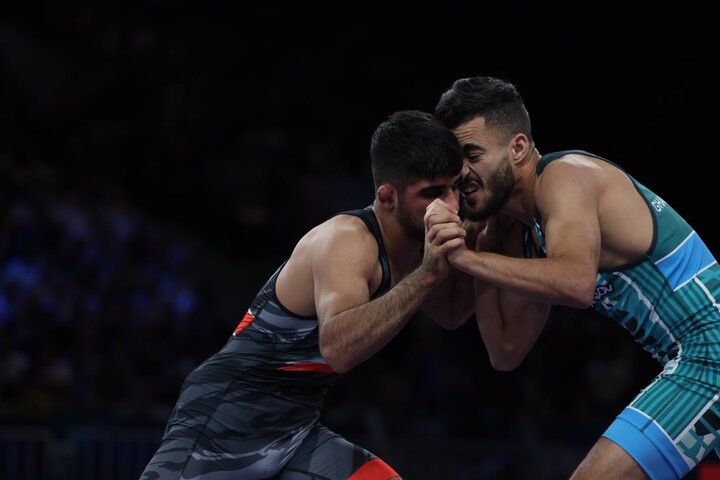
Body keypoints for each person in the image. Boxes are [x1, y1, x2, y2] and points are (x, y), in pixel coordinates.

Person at [140, 110, 472, 480]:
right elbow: (338, 349)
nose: (451, 206)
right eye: (433, 193)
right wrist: (427, 276)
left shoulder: (417, 241)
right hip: (225, 417)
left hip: (295, 428)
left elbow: (455, 314)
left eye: (456, 188)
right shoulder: (346, 240)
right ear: (387, 196)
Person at [426, 75, 720, 480]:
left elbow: (576, 283)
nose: (461, 173)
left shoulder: (565, 176)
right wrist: (478, 247)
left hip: (710, 350)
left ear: (518, 148)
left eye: (472, 155)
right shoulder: (524, 233)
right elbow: (506, 349)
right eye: (453, 162)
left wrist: (462, 258)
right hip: (694, 356)